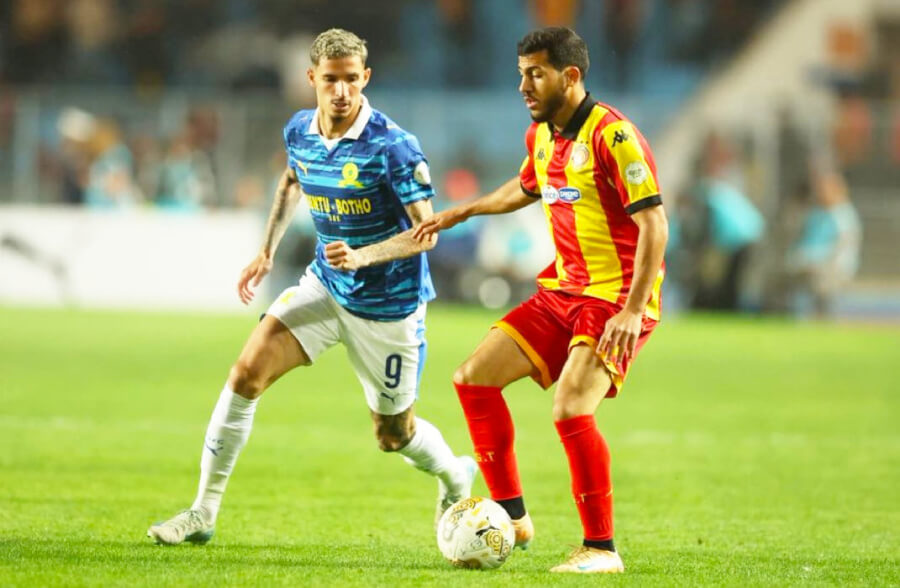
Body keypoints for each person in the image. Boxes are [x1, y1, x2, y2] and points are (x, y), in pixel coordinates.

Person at [147, 28, 476, 546]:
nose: (341, 91)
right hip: (324, 288)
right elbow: (291, 181)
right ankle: (202, 512)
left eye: (351, 80)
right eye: (330, 81)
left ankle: (456, 475)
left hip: (388, 309)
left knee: (393, 436)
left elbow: (427, 231)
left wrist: (365, 254)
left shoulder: (393, 146)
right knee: (245, 374)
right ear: (312, 80)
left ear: (365, 78)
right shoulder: (299, 130)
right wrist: (267, 249)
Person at [414, 27, 669, 574]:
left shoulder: (614, 136)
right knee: (473, 378)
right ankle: (511, 515)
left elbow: (655, 224)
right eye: (521, 73)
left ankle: (601, 549)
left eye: (536, 73)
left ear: (570, 76)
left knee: (571, 407)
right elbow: (525, 187)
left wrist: (632, 309)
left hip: (615, 299)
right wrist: (464, 210)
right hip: (564, 292)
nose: (524, 85)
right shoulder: (544, 136)